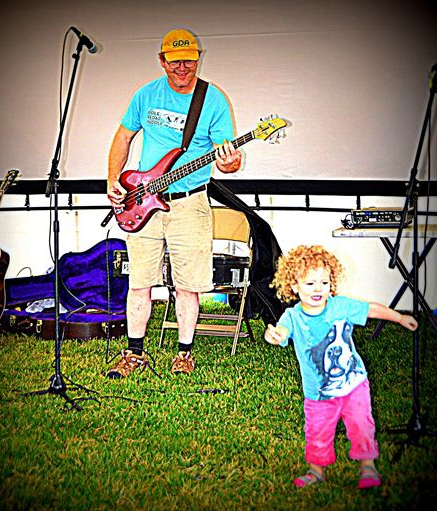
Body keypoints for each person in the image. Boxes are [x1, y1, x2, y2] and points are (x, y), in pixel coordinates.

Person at [106, 28, 242, 378]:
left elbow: (229, 158)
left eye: (190, 60)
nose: (183, 68)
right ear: (162, 60)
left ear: (198, 59)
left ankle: (184, 353)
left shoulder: (212, 100)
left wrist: (229, 162)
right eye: (175, 61)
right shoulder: (146, 95)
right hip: (142, 200)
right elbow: (123, 136)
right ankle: (134, 352)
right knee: (139, 281)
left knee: (188, 283)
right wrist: (112, 180)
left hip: (190, 203)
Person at [264, 245, 418, 489]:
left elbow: (371, 309)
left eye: (324, 283)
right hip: (318, 393)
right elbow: (282, 332)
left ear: (331, 284)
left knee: (361, 426)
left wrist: (399, 317)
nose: (318, 289)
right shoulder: (292, 317)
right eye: (310, 283)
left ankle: (368, 467)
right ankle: (316, 472)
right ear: (294, 286)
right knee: (317, 434)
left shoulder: (340, 306)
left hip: (354, 385)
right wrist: (274, 335)